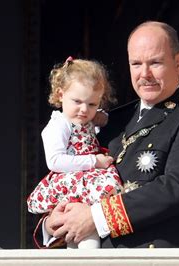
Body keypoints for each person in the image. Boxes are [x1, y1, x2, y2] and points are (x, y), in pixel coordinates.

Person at [41, 21, 179, 248]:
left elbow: (177, 188)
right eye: (136, 64)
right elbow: (73, 178)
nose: (144, 74)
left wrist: (96, 217)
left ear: (178, 63)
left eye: (155, 63)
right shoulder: (110, 120)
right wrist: (52, 223)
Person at [27, 57, 123, 249]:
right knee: (78, 234)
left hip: (87, 182)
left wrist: (100, 118)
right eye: (77, 101)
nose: (84, 110)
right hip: (71, 184)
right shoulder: (58, 125)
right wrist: (93, 161)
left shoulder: (86, 121)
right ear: (60, 94)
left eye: (92, 104)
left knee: (87, 231)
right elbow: (55, 161)